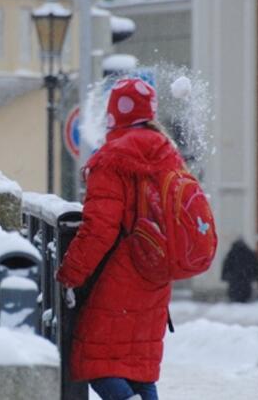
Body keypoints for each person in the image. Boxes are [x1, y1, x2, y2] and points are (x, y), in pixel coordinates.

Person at [55, 78, 187, 400]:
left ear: (113, 114)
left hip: (120, 274)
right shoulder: (169, 156)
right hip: (156, 272)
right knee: (137, 366)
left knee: (95, 361)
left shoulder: (111, 159)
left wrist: (69, 274)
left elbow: (99, 228)